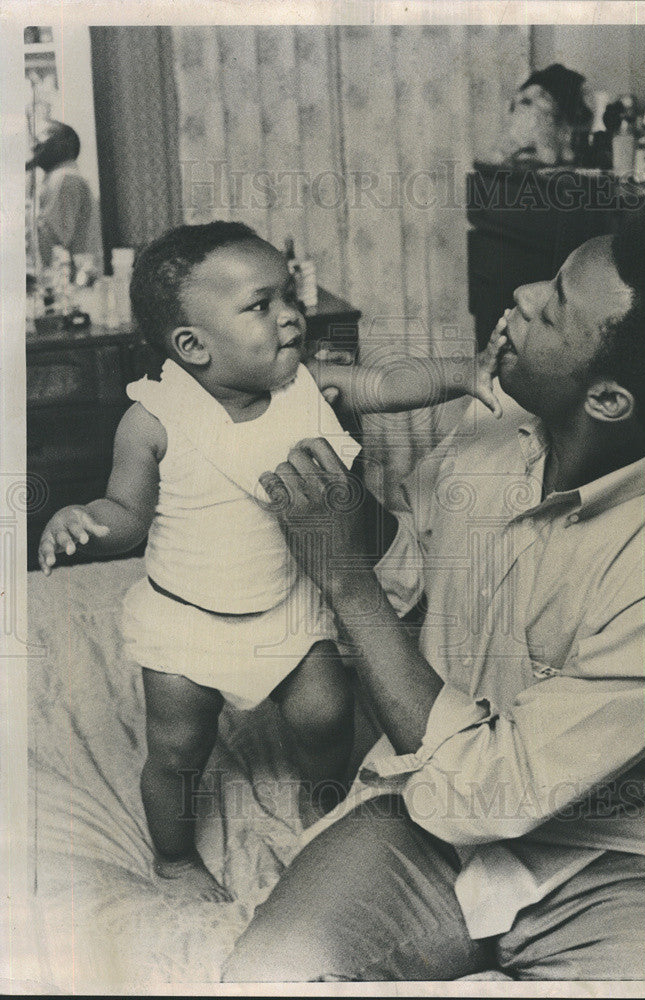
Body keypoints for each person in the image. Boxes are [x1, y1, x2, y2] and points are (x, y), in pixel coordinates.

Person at [223, 219, 645, 981]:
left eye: (552, 308)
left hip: (604, 859)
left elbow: (490, 789)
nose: (519, 296)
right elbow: (414, 566)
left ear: (608, 399)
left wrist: (341, 577)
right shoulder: (497, 416)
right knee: (269, 975)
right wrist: (342, 494)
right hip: (415, 815)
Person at [37, 221, 504, 903]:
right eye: (261, 305)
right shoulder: (155, 419)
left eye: (289, 295)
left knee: (324, 714)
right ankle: (173, 858)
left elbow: (386, 383)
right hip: (187, 620)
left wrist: (467, 375)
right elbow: (125, 513)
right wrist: (82, 522)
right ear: (193, 346)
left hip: (287, 605)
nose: (291, 313)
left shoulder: (306, 387)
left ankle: (323, 807)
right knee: (176, 751)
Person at [26, 120, 102, 271]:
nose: (34, 145)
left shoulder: (65, 178)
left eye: (42, 137)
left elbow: (48, 240)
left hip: (73, 286)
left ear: (63, 144)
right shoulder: (62, 177)